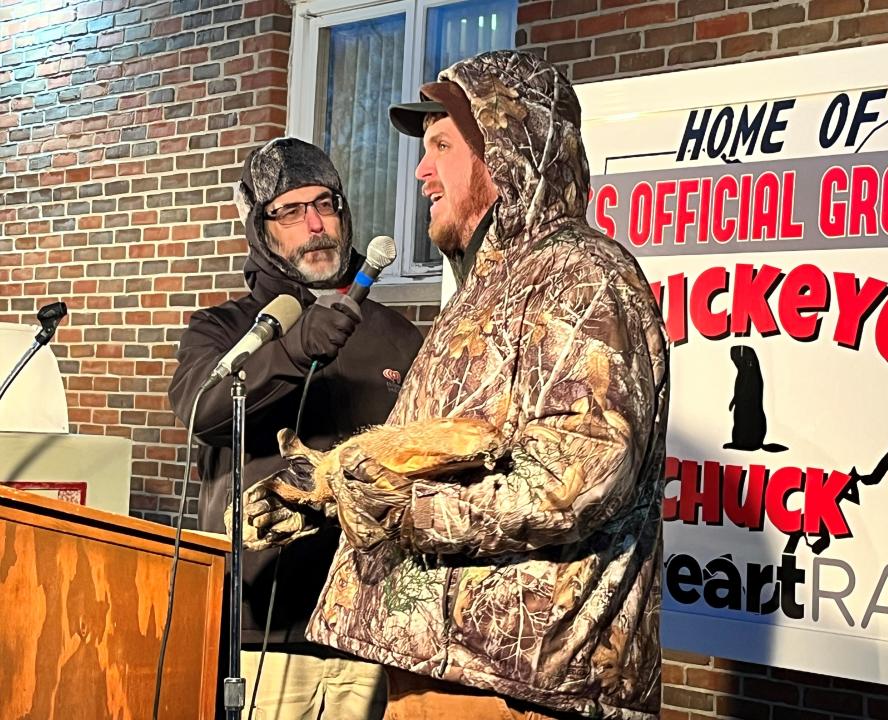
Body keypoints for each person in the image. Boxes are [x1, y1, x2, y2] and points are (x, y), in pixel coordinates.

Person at [244, 51, 669, 720]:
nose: (420, 169)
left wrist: (398, 512)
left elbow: (577, 476)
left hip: (516, 688)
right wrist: (323, 492)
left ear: (508, 151)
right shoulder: (484, 292)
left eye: (441, 144)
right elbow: (431, 455)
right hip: (440, 675)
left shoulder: (583, 279)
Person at [168, 136, 423, 720]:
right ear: (261, 228)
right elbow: (201, 412)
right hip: (264, 638)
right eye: (290, 211)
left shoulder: (397, 335)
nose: (315, 224)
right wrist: (291, 349)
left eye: (325, 204)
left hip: (368, 629)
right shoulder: (225, 328)